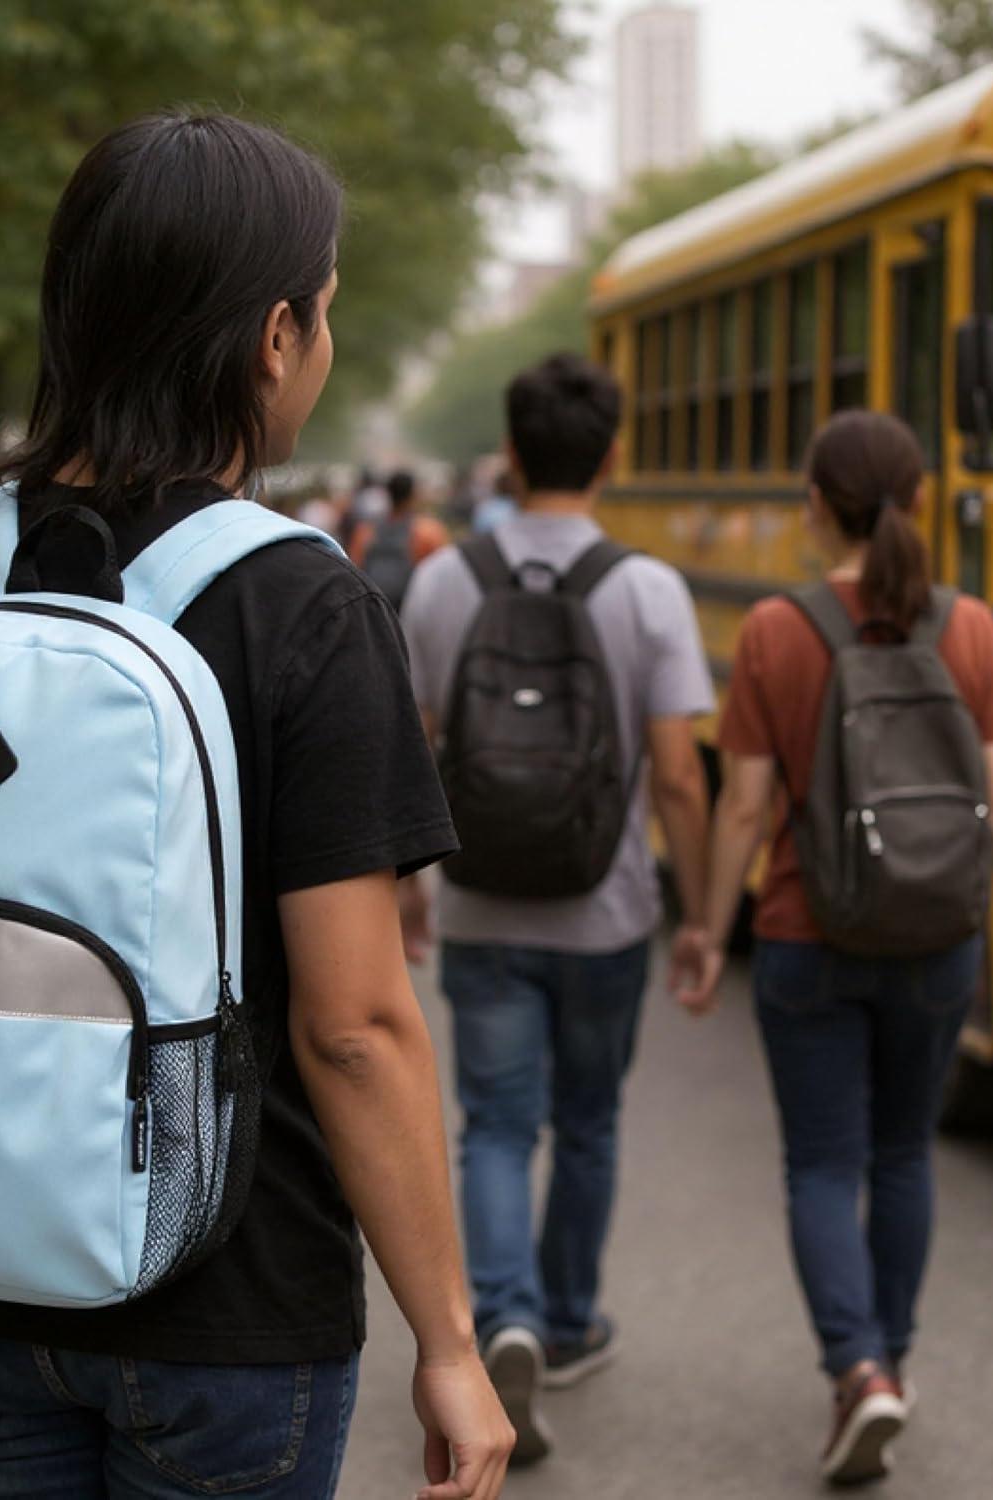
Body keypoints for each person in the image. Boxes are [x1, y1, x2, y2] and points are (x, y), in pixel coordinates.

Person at [0, 114, 513, 1500]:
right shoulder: (303, 602)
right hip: (228, 1302)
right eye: (322, 313)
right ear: (275, 337)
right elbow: (356, 1026)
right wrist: (450, 1336)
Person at [678, 409, 993, 1484]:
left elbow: (745, 811)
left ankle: (858, 1371)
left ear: (814, 503)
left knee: (821, 1162)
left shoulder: (775, 629)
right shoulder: (973, 627)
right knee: (902, 1156)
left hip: (809, 936)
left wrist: (710, 933)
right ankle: (890, 1357)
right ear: (923, 503)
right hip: (942, 939)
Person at [401, 352, 714, 1464]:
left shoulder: (446, 580)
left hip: (483, 904)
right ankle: (571, 1319)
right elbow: (679, 774)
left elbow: (410, 747)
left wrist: (409, 887)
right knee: (588, 1122)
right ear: (614, 456)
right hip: (607, 910)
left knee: (495, 1122)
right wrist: (702, 913)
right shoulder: (649, 589)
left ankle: (507, 1315)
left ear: (514, 452)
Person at [351, 469, 449, 611]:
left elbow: (355, 568)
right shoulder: (427, 532)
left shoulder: (366, 531)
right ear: (414, 494)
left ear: (387, 494)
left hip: (376, 610)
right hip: (410, 609)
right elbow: (439, 579)